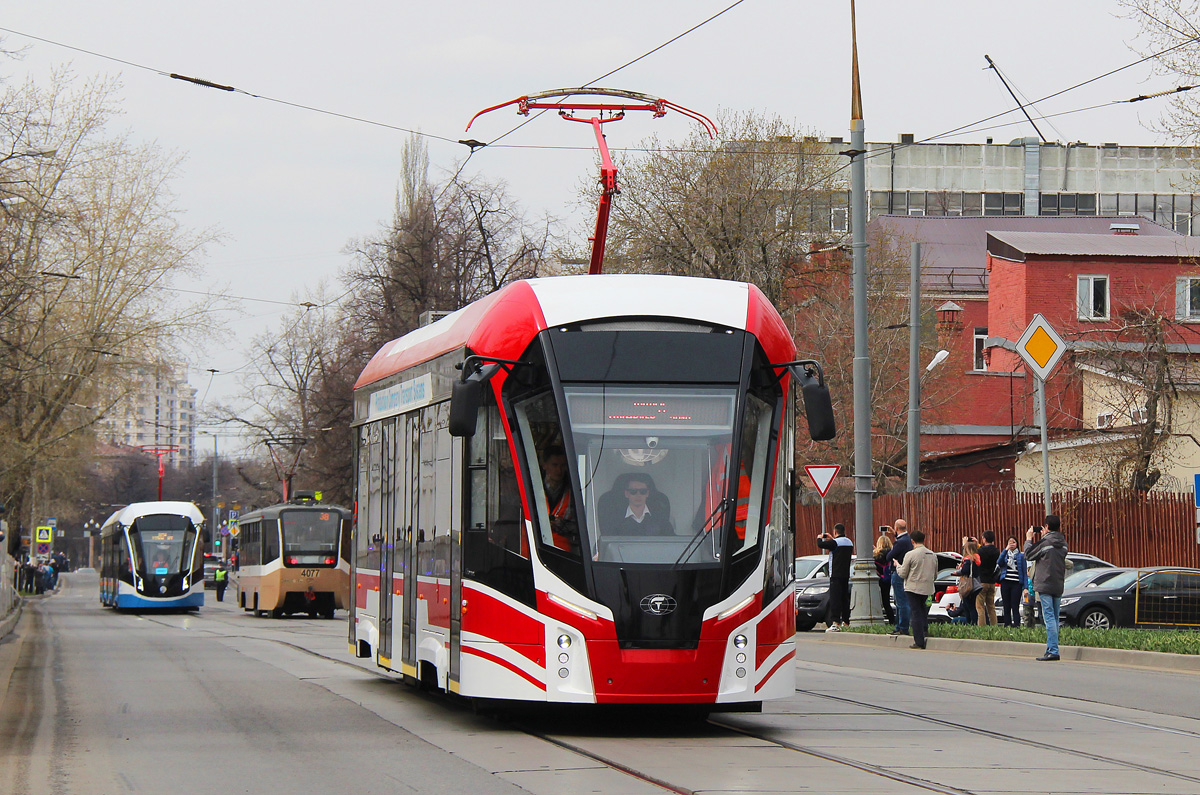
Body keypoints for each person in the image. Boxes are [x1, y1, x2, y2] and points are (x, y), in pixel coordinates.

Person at [1025, 515, 1069, 661]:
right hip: (1058, 584)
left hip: (1044, 584)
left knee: (1048, 617)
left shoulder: (1045, 543)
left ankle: (1053, 650)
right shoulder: (1063, 543)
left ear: (1047, 527)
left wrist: (1029, 539)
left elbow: (1028, 555)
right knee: (1055, 617)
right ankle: (1052, 648)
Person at [895, 529, 938, 650]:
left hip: (913, 588)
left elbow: (903, 573)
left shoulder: (910, 554)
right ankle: (925, 631)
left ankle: (919, 641)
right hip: (928, 587)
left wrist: (897, 566)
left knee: (916, 613)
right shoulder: (932, 554)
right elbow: (935, 574)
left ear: (912, 541)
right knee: (924, 611)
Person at [541, 446, 578, 553]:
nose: (559, 470)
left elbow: (581, 526)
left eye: (562, 465)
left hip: (563, 554)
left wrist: (562, 525)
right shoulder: (531, 487)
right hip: (531, 551)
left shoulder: (574, 491)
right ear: (545, 465)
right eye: (554, 465)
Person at [817, 523, 854, 631]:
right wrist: (832, 539)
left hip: (835, 575)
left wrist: (819, 538)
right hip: (845, 574)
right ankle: (846, 622)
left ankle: (835, 622)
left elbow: (821, 545)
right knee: (844, 599)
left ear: (835, 531)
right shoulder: (849, 542)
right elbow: (837, 545)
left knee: (835, 599)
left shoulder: (834, 543)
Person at [886, 519, 912, 636]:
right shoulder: (908, 539)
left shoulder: (899, 542)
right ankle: (900, 626)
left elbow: (889, 556)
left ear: (896, 528)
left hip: (898, 572)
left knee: (901, 602)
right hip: (907, 572)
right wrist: (895, 534)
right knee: (903, 601)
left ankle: (902, 627)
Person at [996, 536, 1027, 628]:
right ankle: (1007, 624)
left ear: (1017, 544)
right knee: (1006, 605)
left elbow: (1025, 572)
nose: (1012, 544)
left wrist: (1025, 587)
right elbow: (999, 562)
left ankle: (1017, 625)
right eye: (1010, 542)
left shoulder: (1021, 556)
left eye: (1013, 542)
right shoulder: (1005, 554)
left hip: (1016, 583)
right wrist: (1005, 550)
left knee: (1015, 605)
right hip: (1005, 582)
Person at [951, 538, 980, 625]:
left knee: (968, 605)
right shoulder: (976, 558)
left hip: (968, 584)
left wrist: (957, 572)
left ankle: (971, 622)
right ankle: (974, 622)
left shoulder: (968, 559)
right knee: (972, 605)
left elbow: (965, 571)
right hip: (976, 583)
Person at [976, 531, 1000, 626]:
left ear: (984, 539)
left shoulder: (980, 551)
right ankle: (994, 626)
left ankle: (982, 627)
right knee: (991, 606)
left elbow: (976, 555)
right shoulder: (996, 551)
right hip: (992, 581)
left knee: (980, 607)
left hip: (982, 581)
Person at [873, 531, 896, 624]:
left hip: (878, 580)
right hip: (888, 579)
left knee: (877, 600)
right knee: (887, 602)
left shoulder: (876, 555)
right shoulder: (892, 554)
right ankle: (892, 621)